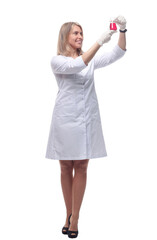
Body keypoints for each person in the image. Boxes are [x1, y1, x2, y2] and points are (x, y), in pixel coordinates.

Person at [45, 15, 127, 238]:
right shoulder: (58, 60)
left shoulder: (88, 59)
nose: (80, 36)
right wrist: (100, 41)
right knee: (65, 167)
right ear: (65, 37)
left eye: (82, 33)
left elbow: (117, 53)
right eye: (76, 33)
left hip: (86, 119)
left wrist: (122, 30)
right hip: (64, 119)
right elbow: (77, 65)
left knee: (81, 165)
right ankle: (68, 213)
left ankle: (76, 217)